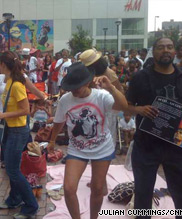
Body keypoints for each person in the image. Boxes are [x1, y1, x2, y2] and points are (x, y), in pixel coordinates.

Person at [47, 63, 127, 219]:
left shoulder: (101, 96)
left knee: (97, 189)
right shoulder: (65, 100)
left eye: (79, 86)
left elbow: (123, 106)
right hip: (77, 149)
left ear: (87, 82)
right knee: (69, 189)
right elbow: (59, 121)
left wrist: (111, 88)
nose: (75, 90)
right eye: (72, 87)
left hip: (102, 148)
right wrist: (52, 140)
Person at [126, 37, 182, 217]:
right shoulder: (140, 77)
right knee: (143, 195)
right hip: (146, 146)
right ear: (154, 52)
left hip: (177, 146)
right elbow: (127, 105)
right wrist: (139, 109)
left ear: (175, 52)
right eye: (161, 47)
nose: (166, 50)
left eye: (169, 47)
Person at [0, 51, 39, 219]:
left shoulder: (17, 84)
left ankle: (31, 206)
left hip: (18, 130)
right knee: (12, 167)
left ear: (4, 65)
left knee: (12, 170)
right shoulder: (9, 80)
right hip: (10, 129)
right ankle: (15, 198)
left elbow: (25, 110)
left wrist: (3, 115)